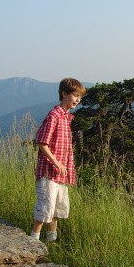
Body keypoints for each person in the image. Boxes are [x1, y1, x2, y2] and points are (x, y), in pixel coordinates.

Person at [30, 78, 86, 242]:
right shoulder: (54, 116)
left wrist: (63, 166)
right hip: (49, 171)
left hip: (61, 173)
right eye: (75, 95)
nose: (77, 100)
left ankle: (51, 242)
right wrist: (56, 162)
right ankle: (32, 242)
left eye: (79, 97)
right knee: (45, 207)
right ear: (64, 93)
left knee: (56, 209)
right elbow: (41, 142)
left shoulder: (66, 117)